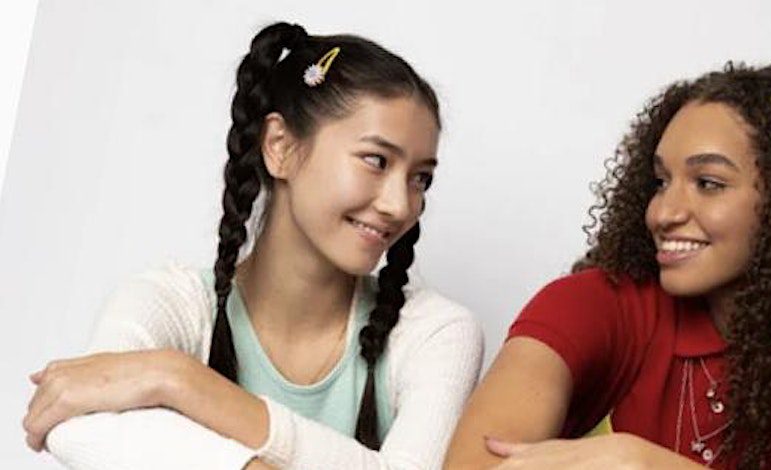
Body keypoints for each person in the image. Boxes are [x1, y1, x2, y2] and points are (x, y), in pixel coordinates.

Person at [23, 21, 483, 470]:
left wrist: (180, 381)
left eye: (420, 178)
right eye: (376, 161)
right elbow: (73, 423)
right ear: (279, 146)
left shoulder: (434, 333)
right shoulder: (173, 303)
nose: (400, 204)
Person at [444, 62, 771, 469]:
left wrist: (644, 463)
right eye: (661, 181)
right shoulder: (597, 305)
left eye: (708, 183)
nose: (663, 213)